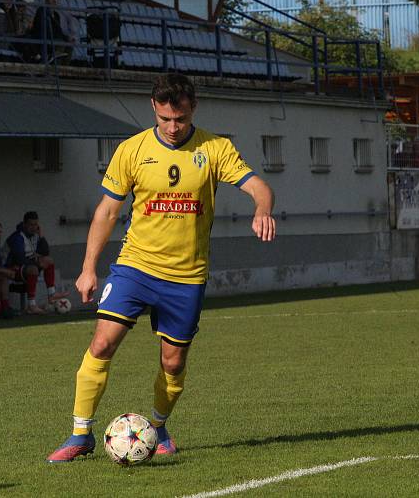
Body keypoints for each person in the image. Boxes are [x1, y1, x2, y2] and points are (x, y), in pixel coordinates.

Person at [46, 73, 276, 463]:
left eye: (181, 119)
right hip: (135, 267)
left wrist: (262, 209)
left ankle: (159, 424)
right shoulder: (132, 150)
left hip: (186, 276)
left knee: (173, 361)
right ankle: (80, 434)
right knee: (102, 343)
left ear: (193, 110)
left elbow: (259, 186)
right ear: (153, 108)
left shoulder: (215, 149)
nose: (172, 127)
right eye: (165, 119)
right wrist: (88, 268)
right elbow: (106, 211)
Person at [5, 211, 68, 315]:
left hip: (28, 265)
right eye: (31, 225)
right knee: (33, 269)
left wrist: (41, 236)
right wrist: (37, 262)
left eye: (35, 225)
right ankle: (31, 305)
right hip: (12, 267)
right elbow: (19, 258)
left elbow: (45, 251)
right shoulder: (17, 237)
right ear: (25, 224)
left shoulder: (35, 235)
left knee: (49, 260)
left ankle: (52, 294)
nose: (33, 227)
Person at [26, 0, 79, 64]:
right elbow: (42, 28)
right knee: (60, 43)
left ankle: (63, 69)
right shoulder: (42, 10)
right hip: (44, 40)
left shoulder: (56, 15)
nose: (54, 0)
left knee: (69, 45)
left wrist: (67, 38)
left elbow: (59, 30)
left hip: (54, 39)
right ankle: (54, 66)